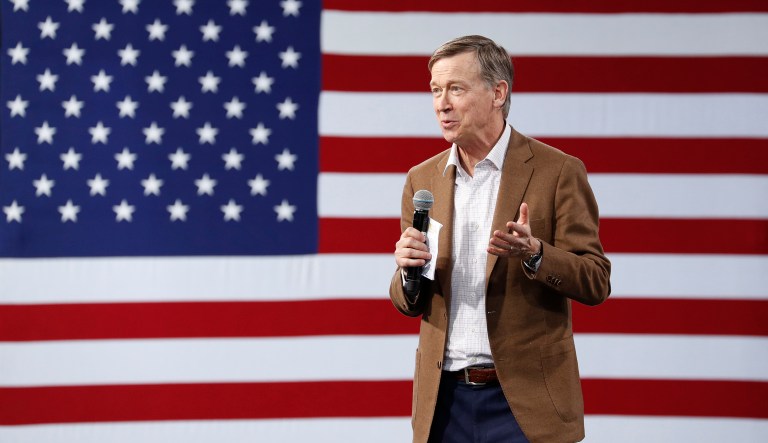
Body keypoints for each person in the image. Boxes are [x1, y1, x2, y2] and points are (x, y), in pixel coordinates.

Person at [390, 35, 611, 443]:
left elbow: (596, 280)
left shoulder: (558, 171)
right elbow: (410, 302)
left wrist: (536, 254)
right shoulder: (422, 180)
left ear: (498, 93)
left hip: (526, 404)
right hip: (444, 403)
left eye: (456, 89)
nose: (442, 104)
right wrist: (407, 271)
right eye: (436, 90)